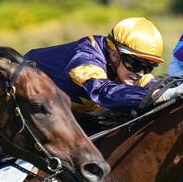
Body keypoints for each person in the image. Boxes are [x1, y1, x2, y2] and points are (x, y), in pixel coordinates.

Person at [25, 17, 183, 113]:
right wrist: (163, 96)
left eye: (148, 67)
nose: (141, 73)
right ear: (114, 54)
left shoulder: (127, 68)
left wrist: (172, 91)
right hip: (19, 99)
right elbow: (104, 92)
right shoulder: (86, 57)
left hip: (60, 110)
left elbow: (153, 88)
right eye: (135, 64)